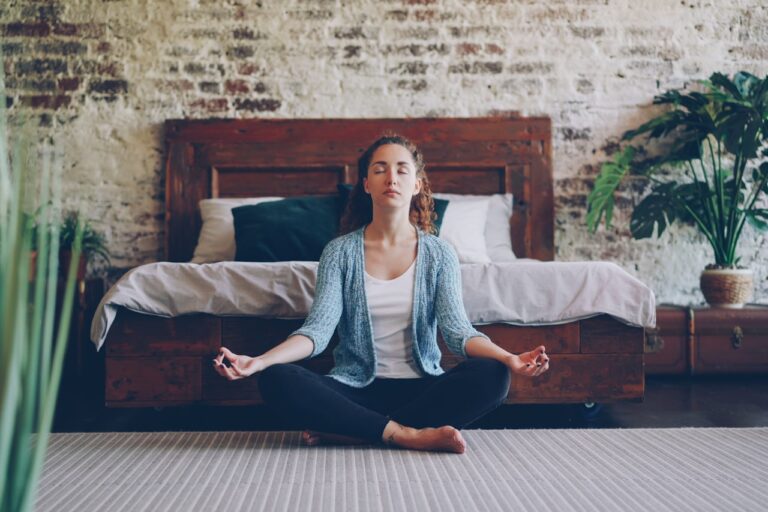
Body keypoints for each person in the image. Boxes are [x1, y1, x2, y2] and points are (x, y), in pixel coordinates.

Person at [212, 133, 550, 454]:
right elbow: (317, 331)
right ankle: (405, 434)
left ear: (417, 184)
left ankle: (356, 431)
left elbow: (459, 333)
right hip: (353, 391)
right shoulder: (339, 252)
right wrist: (259, 361)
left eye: (402, 170)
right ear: (366, 184)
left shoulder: (439, 254)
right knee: (276, 379)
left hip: (422, 390)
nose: (392, 177)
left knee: (492, 374)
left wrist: (509, 358)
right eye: (380, 169)